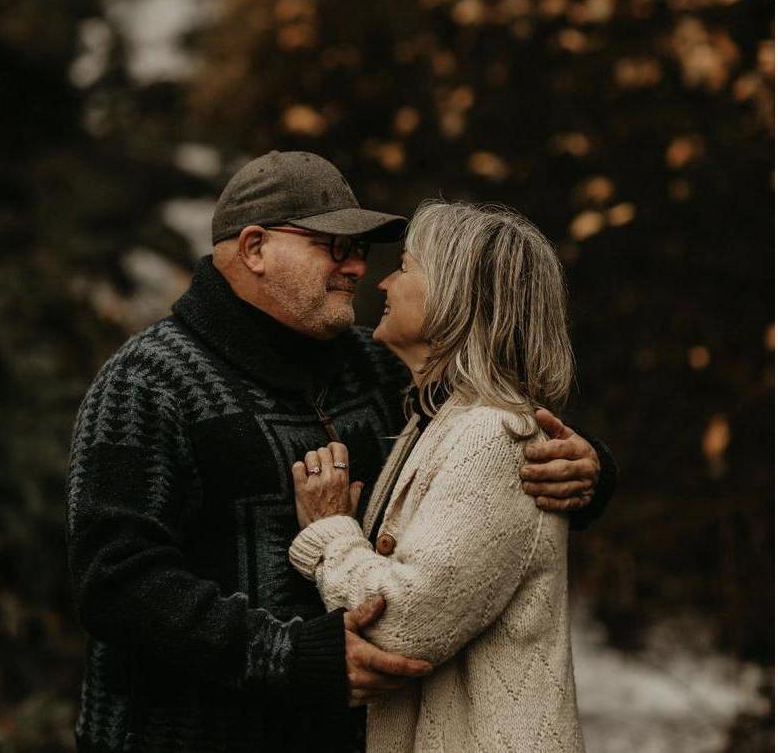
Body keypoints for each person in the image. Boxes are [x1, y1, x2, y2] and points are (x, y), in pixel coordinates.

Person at [66, 152, 616, 752]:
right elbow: (115, 580)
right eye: (334, 247)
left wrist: (587, 470)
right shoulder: (147, 382)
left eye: (361, 248)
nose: (357, 266)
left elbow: (489, 447)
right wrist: (287, 656)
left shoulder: (378, 367)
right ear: (254, 248)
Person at [289, 201, 588, 751]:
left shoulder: (493, 435)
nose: (383, 283)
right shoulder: (435, 421)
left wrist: (328, 535)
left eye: (404, 267)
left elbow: (400, 627)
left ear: (456, 294)